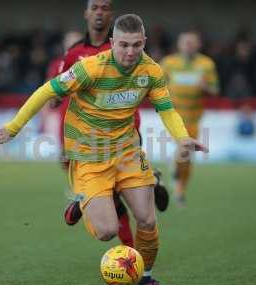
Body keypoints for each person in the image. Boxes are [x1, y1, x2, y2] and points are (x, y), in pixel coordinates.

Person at [0, 14, 208, 285]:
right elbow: (46, 91)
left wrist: (182, 137)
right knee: (107, 231)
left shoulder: (151, 71)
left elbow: (166, 110)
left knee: (146, 219)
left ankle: (146, 279)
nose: (130, 52)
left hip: (128, 152)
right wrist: (14, 127)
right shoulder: (90, 68)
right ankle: (82, 202)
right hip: (88, 156)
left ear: (144, 42)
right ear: (111, 43)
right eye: (123, 45)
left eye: (136, 45)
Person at [52, 0, 169, 250]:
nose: (100, 13)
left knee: (121, 197)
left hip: (125, 135)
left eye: (105, 8)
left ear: (111, 14)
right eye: (95, 7)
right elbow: (56, 93)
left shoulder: (126, 48)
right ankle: (149, 185)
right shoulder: (74, 53)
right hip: (87, 139)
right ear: (86, 13)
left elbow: (149, 83)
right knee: (111, 200)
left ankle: (130, 253)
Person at [160, 31, 219, 205]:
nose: (189, 46)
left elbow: (215, 90)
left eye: (192, 43)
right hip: (174, 116)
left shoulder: (206, 64)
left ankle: (179, 189)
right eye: (185, 42)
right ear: (179, 45)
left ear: (198, 45)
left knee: (187, 156)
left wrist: (206, 87)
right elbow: (156, 86)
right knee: (184, 149)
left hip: (194, 117)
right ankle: (176, 170)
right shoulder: (168, 63)